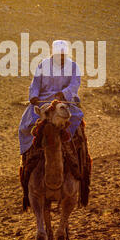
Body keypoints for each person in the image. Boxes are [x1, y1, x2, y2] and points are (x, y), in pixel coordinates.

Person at [19, 40, 92, 210]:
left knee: (76, 128)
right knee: (25, 128)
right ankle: (28, 167)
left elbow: (75, 85)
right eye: (58, 55)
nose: (60, 57)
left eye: (63, 55)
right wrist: (34, 96)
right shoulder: (43, 65)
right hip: (44, 101)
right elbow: (35, 84)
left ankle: (78, 164)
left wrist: (63, 94)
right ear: (53, 54)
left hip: (65, 102)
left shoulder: (73, 66)